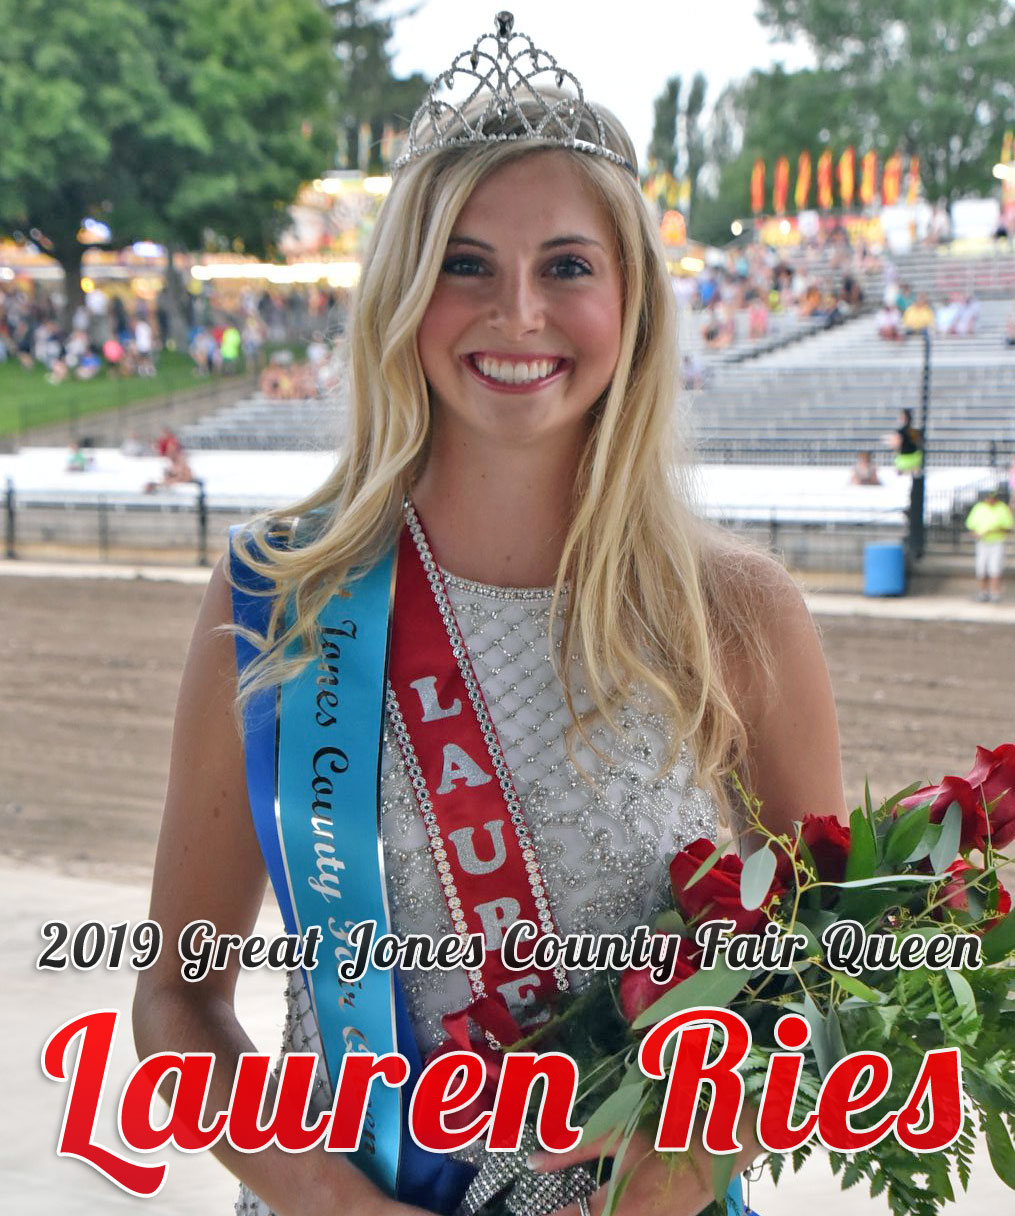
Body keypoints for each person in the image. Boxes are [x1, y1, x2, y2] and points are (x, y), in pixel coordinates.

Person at [134, 14, 846, 1216]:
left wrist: (686, 1159)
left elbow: (828, 963)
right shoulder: (278, 597)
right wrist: (336, 1203)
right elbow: (175, 997)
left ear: (629, 302)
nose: (517, 310)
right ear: (405, 294)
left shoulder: (735, 613)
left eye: (566, 265)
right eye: (465, 262)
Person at [965, 488, 1014, 602]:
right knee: (981, 568)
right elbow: (970, 526)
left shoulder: (1002, 508)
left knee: (995, 568)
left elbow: (1007, 527)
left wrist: (993, 530)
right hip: (982, 542)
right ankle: (983, 592)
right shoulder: (979, 508)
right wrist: (976, 534)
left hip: (996, 542)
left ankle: (995, 592)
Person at [888, 407, 923, 474]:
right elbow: (919, 445)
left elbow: (895, 446)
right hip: (916, 459)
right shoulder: (916, 431)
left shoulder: (900, 432)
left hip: (903, 461)